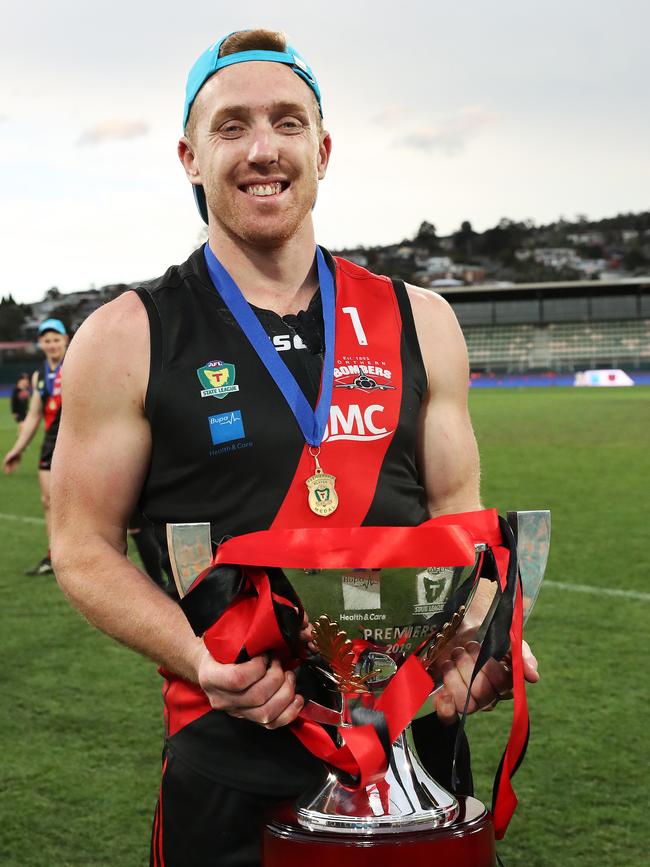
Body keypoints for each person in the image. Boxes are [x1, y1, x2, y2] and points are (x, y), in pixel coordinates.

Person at [51, 29, 539, 867]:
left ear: (323, 148)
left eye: (286, 121)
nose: (263, 148)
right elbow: (81, 546)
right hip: (227, 776)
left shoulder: (420, 320)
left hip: (401, 766)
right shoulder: (127, 335)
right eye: (231, 126)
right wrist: (199, 656)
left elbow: (459, 523)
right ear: (189, 156)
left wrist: (477, 637)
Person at [4, 319, 69, 575]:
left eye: (56, 339)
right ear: (40, 343)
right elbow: (33, 415)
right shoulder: (39, 375)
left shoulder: (77, 363)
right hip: (50, 444)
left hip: (79, 443)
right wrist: (17, 449)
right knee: (48, 501)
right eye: (47, 340)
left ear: (65, 339)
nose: (52, 344)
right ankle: (54, 557)